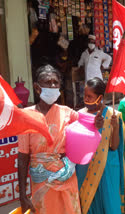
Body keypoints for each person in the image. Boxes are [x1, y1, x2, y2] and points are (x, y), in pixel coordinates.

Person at [18, 65, 101, 214]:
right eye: (48, 82)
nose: (53, 86)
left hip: (67, 178)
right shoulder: (26, 116)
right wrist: (23, 196)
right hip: (41, 184)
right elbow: (23, 157)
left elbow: (87, 125)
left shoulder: (68, 113)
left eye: (55, 83)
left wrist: (97, 122)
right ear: (37, 88)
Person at [75, 78, 125, 214]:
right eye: (84, 96)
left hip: (107, 169)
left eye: (89, 96)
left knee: (109, 205)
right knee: (88, 204)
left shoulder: (113, 116)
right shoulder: (80, 115)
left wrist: (114, 127)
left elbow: (114, 147)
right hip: (86, 168)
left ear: (100, 97)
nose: (85, 99)